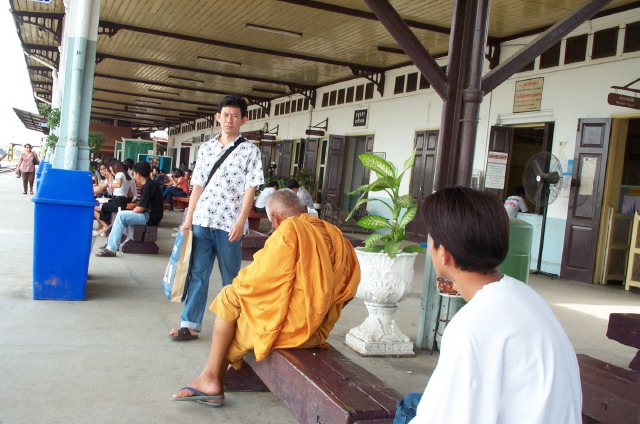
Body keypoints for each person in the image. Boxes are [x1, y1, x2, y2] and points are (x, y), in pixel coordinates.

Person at [393, 186, 582, 424]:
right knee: (413, 403)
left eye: (431, 239)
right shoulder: (523, 294)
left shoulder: (473, 327)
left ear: (445, 254)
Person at [171, 189, 360, 406]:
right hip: (318, 331)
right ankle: (212, 380)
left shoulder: (289, 230)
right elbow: (349, 288)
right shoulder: (334, 233)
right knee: (239, 308)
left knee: (229, 297)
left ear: (276, 219)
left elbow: (254, 281)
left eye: (272, 224)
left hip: (293, 330)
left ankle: (211, 379)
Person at [169, 94, 264, 340]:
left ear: (243, 120)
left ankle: (233, 329)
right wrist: (188, 218)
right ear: (217, 117)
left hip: (229, 224)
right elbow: (197, 185)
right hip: (202, 221)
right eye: (225, 115)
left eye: (234, 116)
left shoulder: (250, 151)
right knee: (197, 273)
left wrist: (242, 221)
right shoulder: (207, 148)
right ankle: (189, 324)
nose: (229, 120)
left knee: (230, 278)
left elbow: (250, 189)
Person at [95, 161, 164, 257]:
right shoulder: (150, 184)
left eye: (134, 174)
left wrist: (131, 213)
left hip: (150, 217)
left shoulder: (148, 186)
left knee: (121, 216)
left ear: (138, 174)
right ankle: (111, 243)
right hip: (150, 215)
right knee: (121, 215)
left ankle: (111, 248)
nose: (134, 176)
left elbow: (141, 207)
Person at [93, 159, 133, 236]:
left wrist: (109, 184)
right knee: (101, 206)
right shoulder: (127, 177)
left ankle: (105, 227)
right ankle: (104, 226)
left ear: (116, 167)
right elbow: (129, 194)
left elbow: (118, 185)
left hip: (117, 202)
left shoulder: (119, 174)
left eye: (111, 170)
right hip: (122, 202)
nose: (112, 172)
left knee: (94, 207)